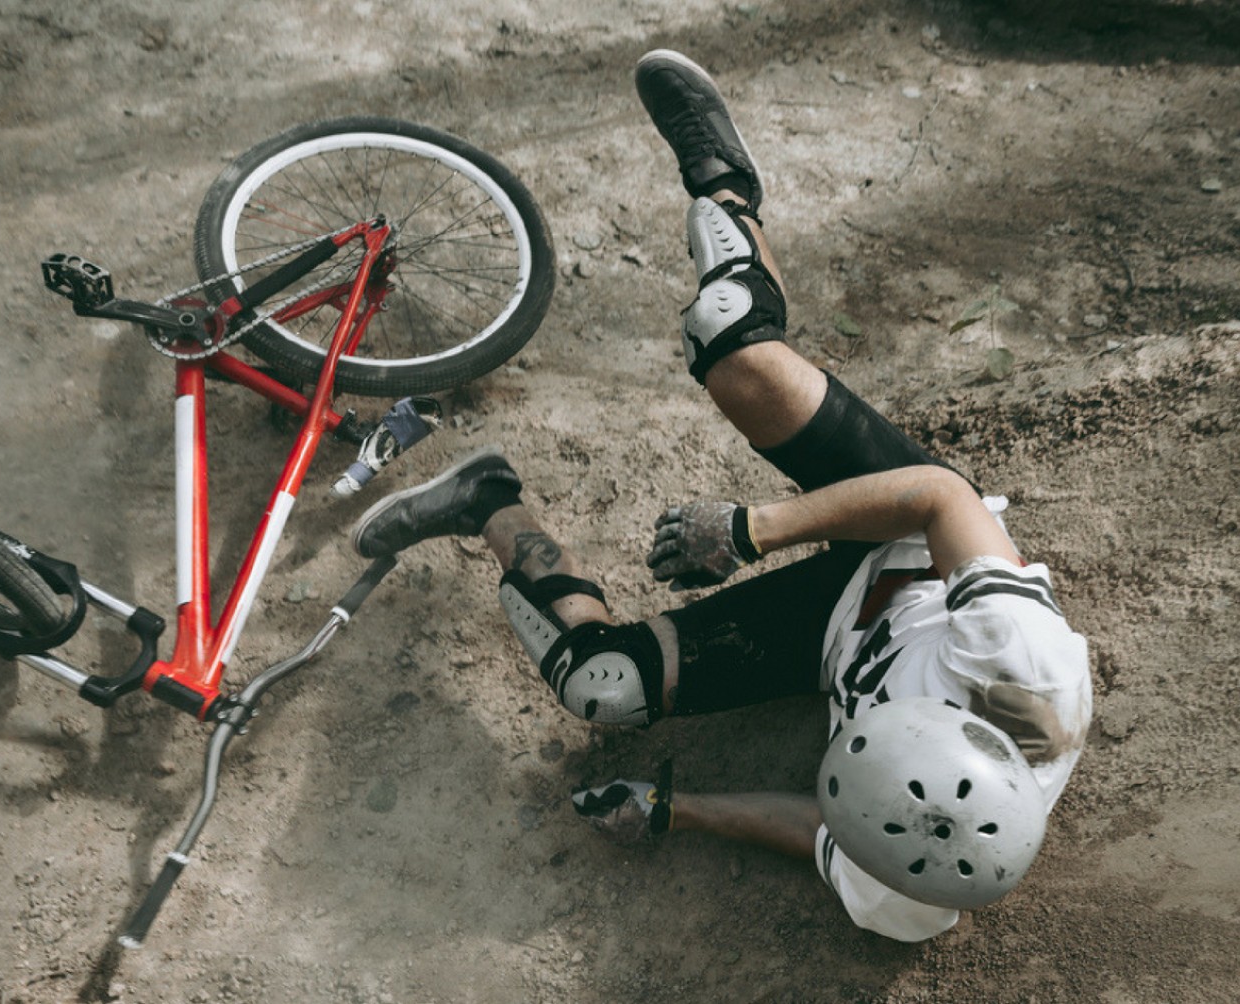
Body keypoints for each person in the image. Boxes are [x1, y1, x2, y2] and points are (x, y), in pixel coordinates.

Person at [350, 49, 1092, 943]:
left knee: (603, 686)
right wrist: (751, 530)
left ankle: (485, 499)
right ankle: (726, 182)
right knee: (733, 350)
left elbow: (828, 835)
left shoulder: (924, 884)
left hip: (831, 635)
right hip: (906, 544)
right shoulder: (1019, 659)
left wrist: (680, 808)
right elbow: (939, 496)